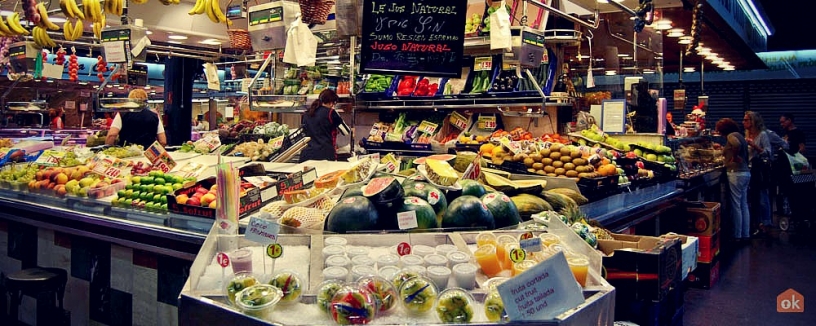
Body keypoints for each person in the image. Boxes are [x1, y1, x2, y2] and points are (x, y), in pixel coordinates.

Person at [717, 118, 751, 242]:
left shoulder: (731, 136)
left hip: (735, 173)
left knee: (736, 205)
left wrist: (734, 157)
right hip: (745, 173)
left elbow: (736, 144)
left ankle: (737, 235)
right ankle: (745, 234)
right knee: (743, 204)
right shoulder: (739, 135)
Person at [743, 111, 772, 236]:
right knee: (753, 198)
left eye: (746, 120)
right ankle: (756, 223)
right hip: (749, 169)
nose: (743, 122)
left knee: (762, 197)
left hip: (759, 170)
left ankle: (766, 223)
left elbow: (767, 152)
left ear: (753, 121)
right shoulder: (746, 134)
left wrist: (754, 146)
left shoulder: (763, 135)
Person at [299, 89, 349, 162]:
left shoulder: (307, 113)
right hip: (324, 156)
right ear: (332, 103)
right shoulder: (331, 112)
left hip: (306, 156)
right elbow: (345, 131)